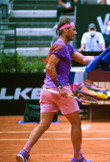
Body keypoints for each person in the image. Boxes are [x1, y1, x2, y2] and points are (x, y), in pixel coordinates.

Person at [16, 17, 94, 162]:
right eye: (73, 30)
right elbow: (49, 66)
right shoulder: (61, 47)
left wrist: (101, 57)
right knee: (76, 123)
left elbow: (83, 59)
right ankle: (77, 158)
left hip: (47, 91)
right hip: (60, 90)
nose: (76, 33)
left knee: (43, 124)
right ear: (65, 30)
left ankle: (24, 151)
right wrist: (59, 87)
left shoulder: (66, 47)